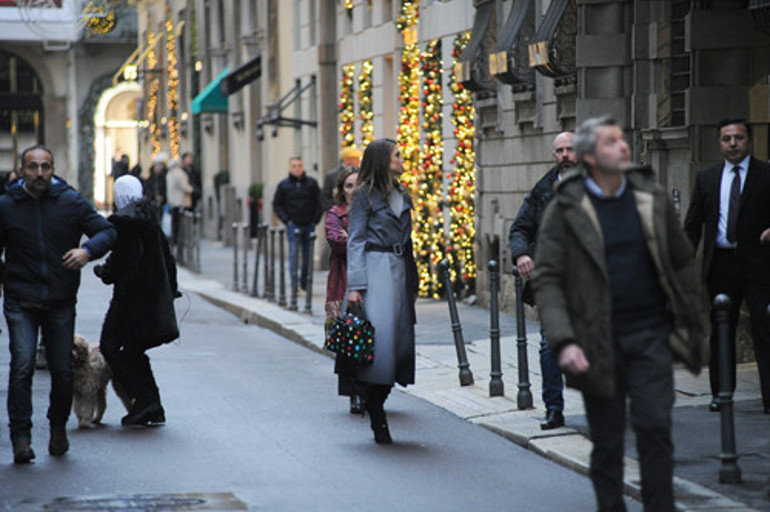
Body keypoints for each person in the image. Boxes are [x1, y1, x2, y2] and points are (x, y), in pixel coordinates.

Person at [533, 116, 706, 511]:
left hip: (649, 336)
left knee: (655, 430)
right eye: (612, 143)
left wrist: (689, 321)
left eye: (622, 141)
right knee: (608, 442)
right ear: (592, 156)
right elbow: (550, 278)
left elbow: (680, 262)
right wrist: (566, 339)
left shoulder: (650, 197)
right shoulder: (566, 206)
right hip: (597, 341)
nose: (623, 148)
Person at [0, 145, 116, 463]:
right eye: (33, 167)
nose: (40, 173)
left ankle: (57, 429)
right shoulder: (7, 206)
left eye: (46, 167)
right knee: (22, 365)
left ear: (52, 169)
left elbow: (107, 231)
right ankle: (21, 438)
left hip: (60, 299)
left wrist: (87, 251)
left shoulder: (70, 202)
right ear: (22, 170)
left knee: (63, 370)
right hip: (20, 299)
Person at [683, 117, 770, 414]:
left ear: (749, 140)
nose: (732, 144)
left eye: (738, 138)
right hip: (720, 264)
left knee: (764, 329)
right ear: (719, 143)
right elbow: (693, 225)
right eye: (726, 139)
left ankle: (769, 396)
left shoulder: (766, 174)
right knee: (722, 331)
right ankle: (722, 393)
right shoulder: (706, 178)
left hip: (758, 264)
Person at [347, 138, 419, 444]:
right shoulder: (364, 196)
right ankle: (376, 411)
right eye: (397, 156)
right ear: (382, 161)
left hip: (400, 270)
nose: (402, 160)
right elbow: (356, 239)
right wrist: (356, 285)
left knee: (400, 346)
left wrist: (413, 280)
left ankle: (375, 401)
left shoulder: (403, 194)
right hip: (376, 270)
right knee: (380, 347)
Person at [95, 175, 180, 427]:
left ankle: (144, 401)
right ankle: (152, 404)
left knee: (110, 346)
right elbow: (168, 260)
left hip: (129, 301)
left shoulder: (126, 222)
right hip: (152, 300)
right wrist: (170, 292)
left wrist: (102, 270)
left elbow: (120, 262)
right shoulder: (150, 217)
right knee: (133, 349)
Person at [508, 131, 574, 430]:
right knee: (550, 346)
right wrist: (522, 254)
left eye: (570, 149)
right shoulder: (543, 188)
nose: (565, 155)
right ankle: (554, 409)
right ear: (553, 154)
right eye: (559, 150)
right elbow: (520, 227)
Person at [324, 167, 365, 414]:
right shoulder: (335, 214)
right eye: (349, 186)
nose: (354, 190)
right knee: (349, 342)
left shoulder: (371, 211)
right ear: (342, 191)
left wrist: (353, 238)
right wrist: (360, 240)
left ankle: (369, 390)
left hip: (370, 284)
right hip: (343, 285)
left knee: (370, 340)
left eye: (358, 185)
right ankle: (354, 395)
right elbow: (337, 242)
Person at [272, 156, 322, 291]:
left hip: (309, 224)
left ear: (303, 167)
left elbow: (319, 202)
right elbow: (277, 204)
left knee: (308, 256)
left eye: (299, 165)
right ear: (290, 168)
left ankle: (304, 281)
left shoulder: (311, 183)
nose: (297, 168)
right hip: (293, 225)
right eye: (294, 166)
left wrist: (315, 219)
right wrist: (287, 220)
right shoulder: (283, 185)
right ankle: (294, 283)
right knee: (294, 254)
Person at [321, 145, 362, 212]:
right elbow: (325, 199)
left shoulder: (362, 175)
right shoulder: (332, 176)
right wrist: (337, 210)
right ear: (344, 159)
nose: (353, 162)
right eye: (350, 159)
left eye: (356, 159)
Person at [165, 158, 193, 248]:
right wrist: (191, 189)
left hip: (172, 202)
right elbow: (185, 187)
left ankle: (174, 241)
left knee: (174, 223)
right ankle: (180, 241)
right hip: (181, 201)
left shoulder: (169, 174)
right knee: (180, 223)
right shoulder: (180, 174)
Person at [144, 152, 168, 218]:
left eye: (160, 165)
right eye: (157, 165)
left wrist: (163, 197)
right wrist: (154, 196)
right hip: (152, 204)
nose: (159, 167)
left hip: (163, 205)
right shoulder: (150, 178)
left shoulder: (165, 177)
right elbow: (147, 189)